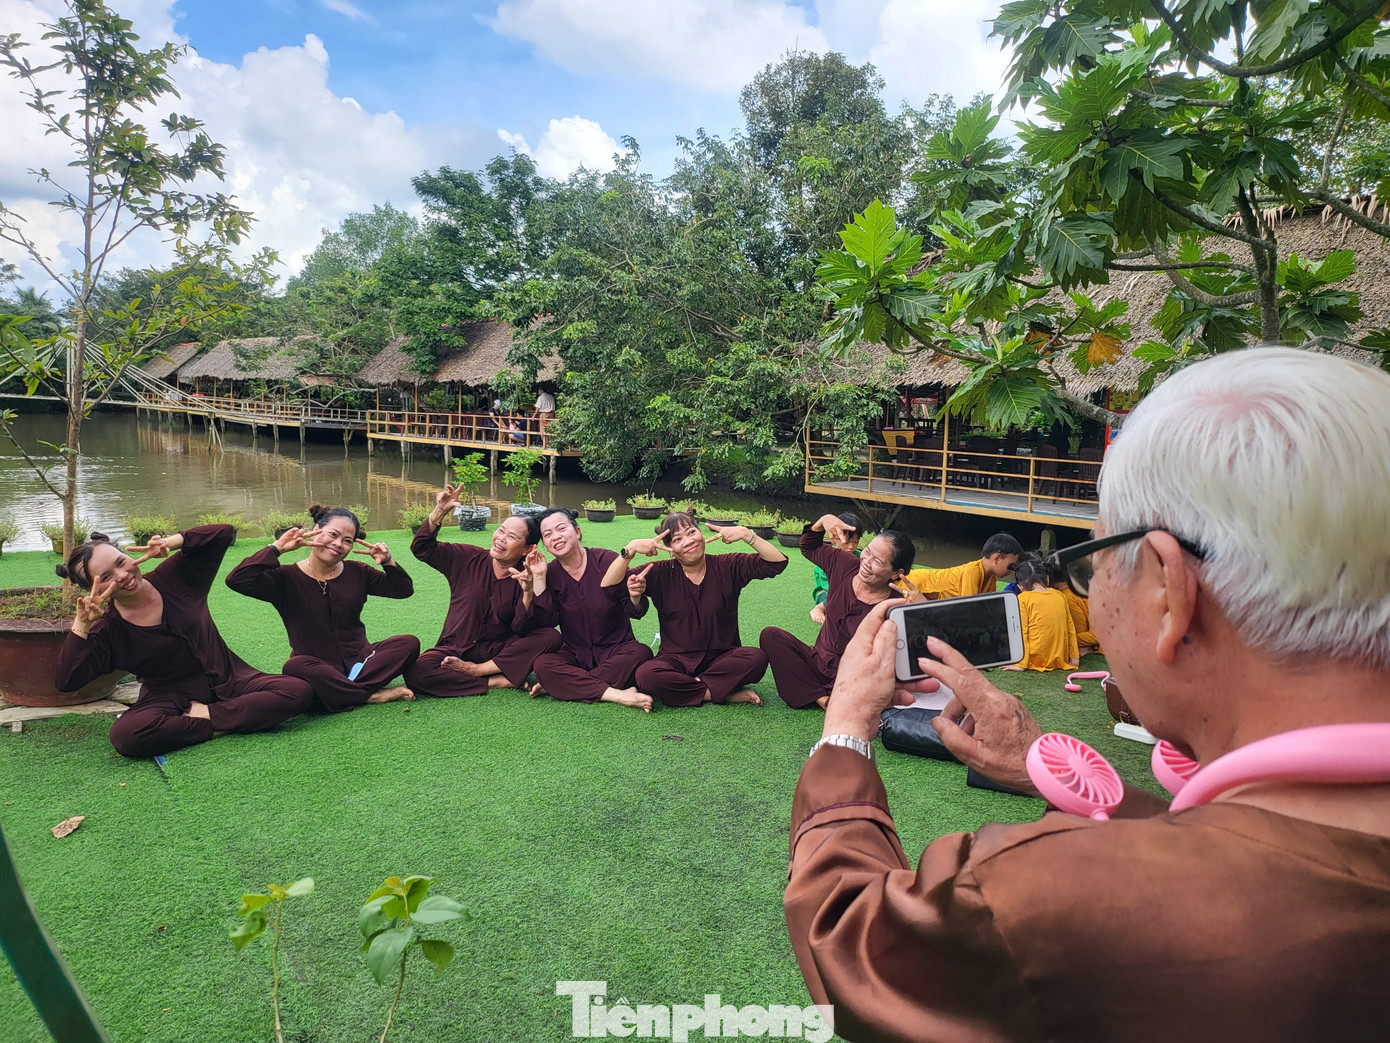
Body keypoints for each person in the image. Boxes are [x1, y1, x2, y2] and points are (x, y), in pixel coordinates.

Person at [784, 347, 1390, 1041]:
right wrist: (1046, 765)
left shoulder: (1038, 893)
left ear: (1169, 592)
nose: (1092, 592)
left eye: (1091, 563)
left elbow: (847, 937)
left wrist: (845, 729)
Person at [53, 526, 312, 757]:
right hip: (168, 697)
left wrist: (172, 541)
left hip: (233, 679)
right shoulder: (108, 630)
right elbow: (68, 681)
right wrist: (83, 623)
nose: (122, 575)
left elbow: (223, 533)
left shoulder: (175, 576)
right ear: (92, 590)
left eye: (122, 562)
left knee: (297, 691)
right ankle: (226, 722)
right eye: (106, 577)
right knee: (126, 735)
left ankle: (206, 720)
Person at [225, 504, 418, 711]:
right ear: (316, 529)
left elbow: (402, 589)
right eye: (333, 534)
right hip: (316, 667)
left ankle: (339, 693)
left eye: (347, 541)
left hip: (361, 663)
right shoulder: (284, 578)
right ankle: (368, 695)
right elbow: (237, 580)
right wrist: (276, 548)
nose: (337, 544)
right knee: (294, 667)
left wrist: (387, 560)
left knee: (408, 643)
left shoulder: (358, 572)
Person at [601, 512, 787, 707]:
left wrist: (746, 534)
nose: (688, 541)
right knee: (646, 675)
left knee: (756, 659)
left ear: (701, 533)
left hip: (723, 657)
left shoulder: (728, 565)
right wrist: (629, 550)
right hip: (676, 660)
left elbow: (777, 563)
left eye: (691, 532)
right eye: (678, 539)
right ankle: (720, 693)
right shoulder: (658, 572)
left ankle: (689, 689)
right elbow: (609, 586)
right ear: (670, 548)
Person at [404, 483, 562, 696]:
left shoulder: (527, 575)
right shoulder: (467, 557)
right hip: (454, 647)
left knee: (550, 637)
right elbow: (422, 549)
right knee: (416, 672)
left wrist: (527, 592)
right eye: (501, 530)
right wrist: (440, 511)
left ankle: (478, 671)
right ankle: (495, 681)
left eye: (512, 537)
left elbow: (521, 629)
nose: (501, 539)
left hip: (496, 651)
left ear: (527, 549)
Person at [760, 516, 915, 709]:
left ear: (895, 573)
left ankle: (822, 693)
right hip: (818, 660)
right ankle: (823, 699)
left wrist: (919, 612)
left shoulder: (895, 606)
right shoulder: (844, 563)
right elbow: (809, 547)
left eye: (877, 561)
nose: (866, 562)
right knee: (771, 636)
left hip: (854, 677)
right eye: (867, 552)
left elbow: (914, 653)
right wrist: (822, 522)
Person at [528, 508, 655, 712]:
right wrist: (539, 579)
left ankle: (564, 686)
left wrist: (635, 595)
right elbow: (547, 622)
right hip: (575, 654)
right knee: (543, 664)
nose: (556, 537)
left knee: (642, 653)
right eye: (548, 534)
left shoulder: (606, 561)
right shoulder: (549, 573)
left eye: (561, 529)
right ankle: (618, 695)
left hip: (617, 650)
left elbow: (636, 611)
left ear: (577, 531)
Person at [1000, 557, 1078, 671]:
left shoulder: (1022, 598)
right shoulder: (1060, 595)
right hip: (1060, 658)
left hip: (1035, 659)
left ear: (1020, 587)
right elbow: (1070, 627)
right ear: (1047, 579)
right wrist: (1075, 657)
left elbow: (1022, 631)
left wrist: (1021, 664)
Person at [905, 532, 1022, 599]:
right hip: (916, 584)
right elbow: (969, 610)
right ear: (997, 558)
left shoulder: (990, 578)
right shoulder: (972, 572)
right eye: (1011, 566)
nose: (1012, 571)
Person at [809, 511, 860, 625]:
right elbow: (830, 588)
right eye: (846, 542)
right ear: (835, 537)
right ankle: (819, 608)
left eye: (855, 542)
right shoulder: (826, 558)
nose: (851, 546)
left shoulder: (860, 557)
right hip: (827, 595)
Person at [1049, 557, 1101, 655]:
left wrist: (1064, 641)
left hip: (1089, 644)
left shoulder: (1066, 596)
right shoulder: (1082, 588)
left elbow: (1095, 636)